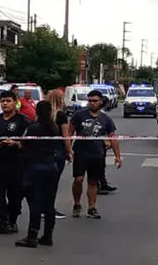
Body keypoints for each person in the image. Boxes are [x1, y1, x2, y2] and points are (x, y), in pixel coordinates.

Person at [16, 100, 66, 247]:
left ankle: (32, 236)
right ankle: (48, 235)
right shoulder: (54, 127)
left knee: (34, 204)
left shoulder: (32, 128)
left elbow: (22, 143)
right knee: (49, 204)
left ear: (37, 111)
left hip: (34, 167)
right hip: (51, 166)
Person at [68, 89, 121, 220]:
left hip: (97, 154)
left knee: (93, 182)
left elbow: (113, 137)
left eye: (95, 101)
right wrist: (68, 151)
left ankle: (92, 207)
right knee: (78, 179)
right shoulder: (79, 115)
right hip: (80, 152)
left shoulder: (106, 119)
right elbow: (69, 133)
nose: (92, 103)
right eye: (90, 100)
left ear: (101, 102)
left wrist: (117, 156)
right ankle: (77, 203)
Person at [0, 90, 29, 235]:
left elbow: (30, 142)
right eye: (2, 101)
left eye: (8, 101)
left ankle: (12, 221)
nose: (4, 104)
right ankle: (1, 222)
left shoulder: (23, 120)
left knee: (15, 195)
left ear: (15, 102)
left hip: (17, 163)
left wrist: (16, 143)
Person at [47, 89, 70, 220]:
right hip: (57, 151)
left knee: (43, 182)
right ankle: (50, 208)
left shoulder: (40, 115)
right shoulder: (60, 116)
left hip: (42, 151)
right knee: (53, 182)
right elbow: (65, 136)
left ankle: (42, 207)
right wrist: (69, 151)